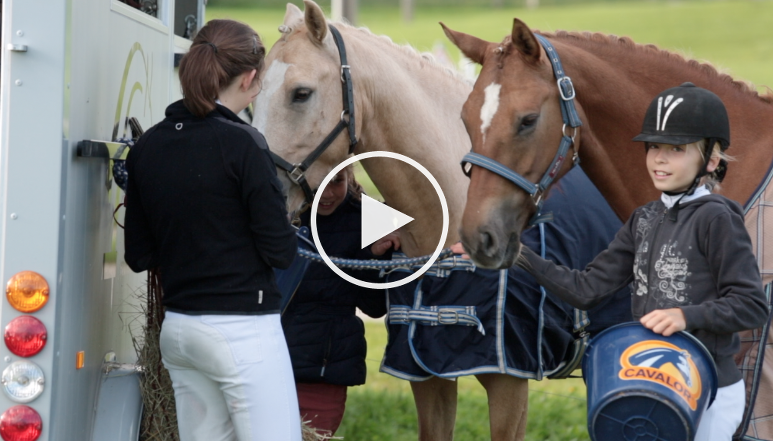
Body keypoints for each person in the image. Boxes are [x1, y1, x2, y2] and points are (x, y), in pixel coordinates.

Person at [511, 83, 769, 440]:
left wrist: (685, 316)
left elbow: (751, 306)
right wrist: (518, 254)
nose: (659, 159)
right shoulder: (643, 219)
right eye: (654, 147)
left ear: (711, 161)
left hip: (709, 391)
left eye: (676, 149)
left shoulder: (718, 219)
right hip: (654, 384)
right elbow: (586, 289)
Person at [124, 20, 301, 441]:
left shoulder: (148, 146)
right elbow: (280, 251)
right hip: (242, 331)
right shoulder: (245, 144)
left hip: (180, 332)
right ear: (250, 78)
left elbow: (138, 255)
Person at [281, 167, 398, 435]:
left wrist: (375, 257)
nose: (327, 193)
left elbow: (375, 307)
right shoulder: (282, 215)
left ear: (350, 176)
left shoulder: (366, 219)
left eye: (337, 181)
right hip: (272, 365)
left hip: (324, 375)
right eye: (318, 183)